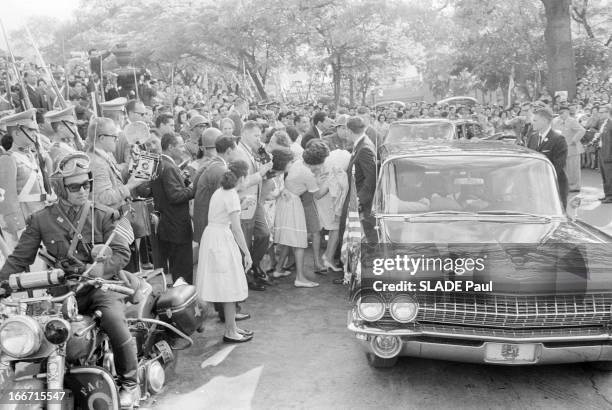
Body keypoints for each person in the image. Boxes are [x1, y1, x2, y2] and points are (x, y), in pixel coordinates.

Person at [0, 152, 139, 407]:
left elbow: (121, 253)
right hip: (62, 292)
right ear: (61, 188)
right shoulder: (42, 219)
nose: (82, 191)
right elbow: (20, 258)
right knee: (38, 334)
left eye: (86, 184)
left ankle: (130, 381)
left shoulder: (103, 214)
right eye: (74, 186)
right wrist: (2, 281)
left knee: (114, 321)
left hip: (98, 287)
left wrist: (97, 272)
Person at [196, 160, 253, 343]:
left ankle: (232, 327)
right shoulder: (231, 195)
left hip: (213, 237)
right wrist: (247, 253)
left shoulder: (222, 192)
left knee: (225, 284)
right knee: (228, 286)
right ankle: (230, 331)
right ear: (242, 177)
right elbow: (237, 228)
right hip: (221, 240)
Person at [273, 140, 330, 287]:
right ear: (317, 163)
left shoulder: (298, 163)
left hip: (287, 202)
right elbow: (317, 195)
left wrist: (317, 180)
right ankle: (300, 278)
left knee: (289, 239)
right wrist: (329, 182)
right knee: (299, 242)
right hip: (292, 204)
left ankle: (278, 269)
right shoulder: (307, 174)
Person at [0, 109, 52, 254]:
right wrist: (18, 227)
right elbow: (7, 200)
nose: (35, 134)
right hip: (26, 220)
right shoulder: (8, 159)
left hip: (40, 214)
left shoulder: (30, 156)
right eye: (31, 130)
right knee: (34, 270)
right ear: (16, 133)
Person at [150, 133, 195, 283]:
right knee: (183, 268)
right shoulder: (168, 167)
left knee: (177, 267)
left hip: (169, 224)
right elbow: (175, 196)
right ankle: (184, 300)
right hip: (177, 226)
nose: (183, 149)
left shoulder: (160, 163)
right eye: (180, 146)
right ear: (170, 147)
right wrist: (193, 188)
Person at [235, 121, 274, 290]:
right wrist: (261, 172)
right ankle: (247, 275)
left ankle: (254, 265)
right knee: (245, 238)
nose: (259, 139)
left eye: (260, 136)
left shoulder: (252, 151)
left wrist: (266, 167)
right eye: (255, 135)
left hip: (255, 201)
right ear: (245, 133)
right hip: (243, 202)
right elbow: (240, 183)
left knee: (264, 235)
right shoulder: (238, 153)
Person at [341, 116, 377, 243]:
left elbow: (371, 179)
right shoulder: (361, 143)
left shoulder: (364, 148)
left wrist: (358, 200)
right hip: (356, 196)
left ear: (349, 131)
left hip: (360, 202)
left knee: (359, 239)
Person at [530, 107, 569, 209]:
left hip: (552, 186)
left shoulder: (558, 139)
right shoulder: (533, 137)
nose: (532, 123)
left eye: (535, 120)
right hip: (535, 186)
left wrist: (543, 181)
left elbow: (558, 166)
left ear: (545, 121)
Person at [552, 105, 585, 192]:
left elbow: (582, 130)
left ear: (567, 112)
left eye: (562, 113)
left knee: (573, 169)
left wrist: (574, 140)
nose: (560, 114)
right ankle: (564, 186)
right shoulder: (555, 121)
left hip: (572, 148)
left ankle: (575, 187)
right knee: (562, 168)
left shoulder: (572, 121)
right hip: (560, 148)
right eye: (559, 113)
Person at [594, 105, 612, 203]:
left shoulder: (611, 123)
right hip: (602, 151)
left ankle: (610, 196)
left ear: (608, 112)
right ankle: (607, 194)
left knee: (609, 176)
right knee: (604, 175)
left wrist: (609, 155)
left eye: (602, 112)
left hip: (608, 154)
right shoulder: (603, 123)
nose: (599, 114)